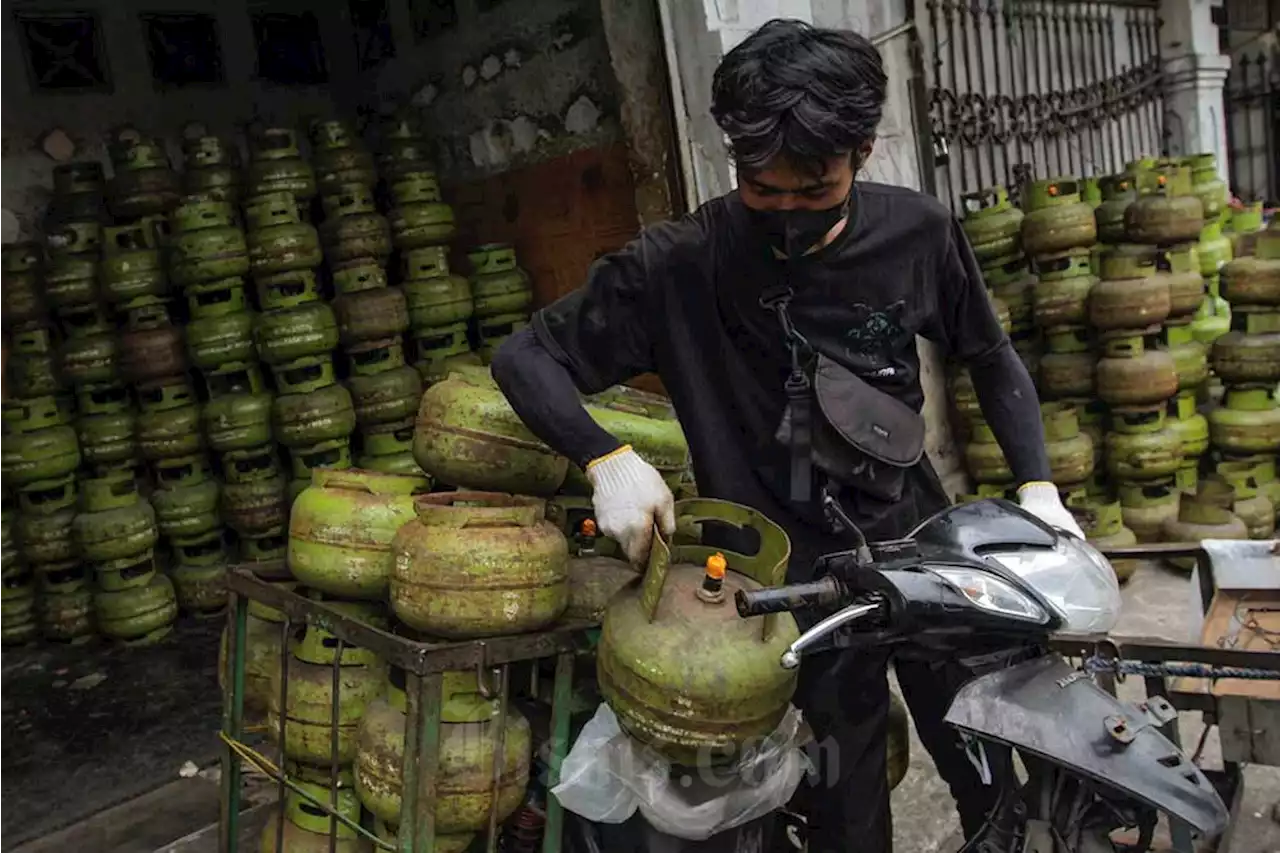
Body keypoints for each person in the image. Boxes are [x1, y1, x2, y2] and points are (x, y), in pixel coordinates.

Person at [490, 18, 1083, 853]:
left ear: (865, 152)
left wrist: (1038, 487)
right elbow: (525, 359)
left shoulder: (917, 232)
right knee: (847, 785)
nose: (786, 214)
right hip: (789, 586)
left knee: (982, 742)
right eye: (761, 190)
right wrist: (605, 457)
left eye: (814, 192)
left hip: (917, 542)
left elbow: (987, 353)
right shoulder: (677, 264)